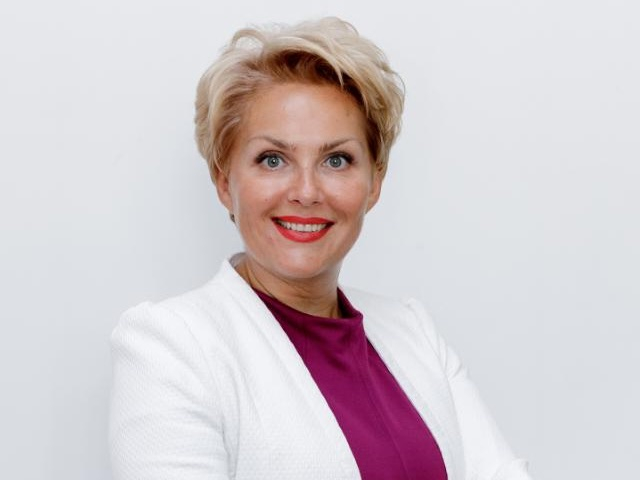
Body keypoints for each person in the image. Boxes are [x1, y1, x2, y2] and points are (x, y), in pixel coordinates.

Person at [109, 17, 532, 480]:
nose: (307, 192)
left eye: (337, 159)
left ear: (374, 182)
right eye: (273, 159)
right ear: (225, 182)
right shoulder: (171, 348)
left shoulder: (413, 331)